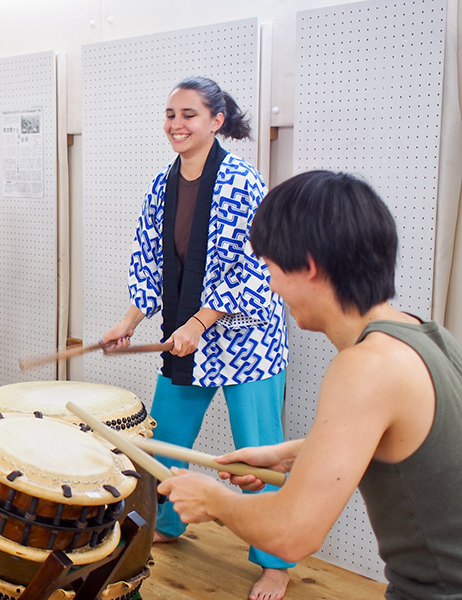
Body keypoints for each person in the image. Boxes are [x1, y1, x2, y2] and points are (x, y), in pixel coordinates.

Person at [158, 170, 462, 599]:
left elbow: (291, 533)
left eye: (271, 268)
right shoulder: (423, 334)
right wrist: (285, 455)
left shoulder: (364, 368)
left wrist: (213, 499)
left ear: (309, 266)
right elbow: (403, 441)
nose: (271, 284)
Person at [102, 76, 293, 600]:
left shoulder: (242, 183)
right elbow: (149, 264)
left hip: (246, 330)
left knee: (259, 452)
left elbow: (254, 269)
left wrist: (200, 323)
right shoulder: (161, 186)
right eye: (170, 114)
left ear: (217, 121)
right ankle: (169, 521)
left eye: (188, 114)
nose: (176, 125)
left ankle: (275, 561)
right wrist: (130, 320)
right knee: (165, 441)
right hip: (186, 334)